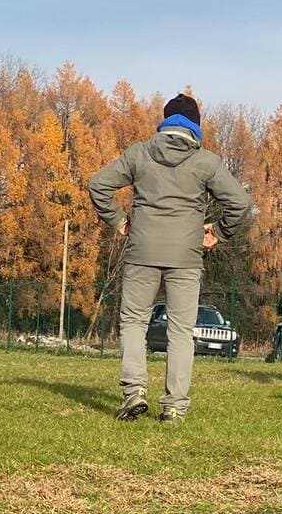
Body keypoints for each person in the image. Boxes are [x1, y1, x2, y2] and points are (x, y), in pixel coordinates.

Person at [89, 94, 251, 423]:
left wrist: (120, 221)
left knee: (134, 323)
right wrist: (218, 232)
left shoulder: (139, 154)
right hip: (187, 257)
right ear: (195, 127)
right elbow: (241, 204)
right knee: (180, 331)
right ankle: (175, 406)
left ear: (165, 122)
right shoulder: (207, 162)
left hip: (142, 252)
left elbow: (98, 185)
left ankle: (134, 392)